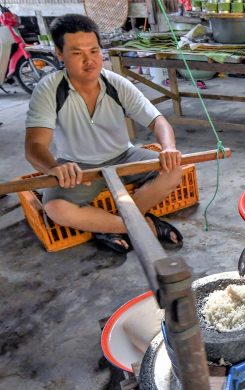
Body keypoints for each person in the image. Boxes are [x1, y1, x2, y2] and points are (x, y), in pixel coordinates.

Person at [25, 14, 183, 254]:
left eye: (94, 51)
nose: (89, 61)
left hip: (124, 156)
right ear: (59, 53)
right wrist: (54, 168)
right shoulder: (49, 89)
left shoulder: (116, 84)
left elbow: (157, 121)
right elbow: (34, 146)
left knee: (173, 171)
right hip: (79, 167)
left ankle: (108, 226)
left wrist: (168, 147)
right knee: (56, 208)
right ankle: (140, 225)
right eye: (77, 53)